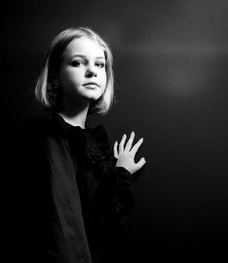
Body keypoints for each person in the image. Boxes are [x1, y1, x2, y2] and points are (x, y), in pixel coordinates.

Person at [23, 27, 146, 263]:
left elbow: (105, 219)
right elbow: (62, 224)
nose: (92, 71)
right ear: (56, 74)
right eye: (78, 63)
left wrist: (121, 171)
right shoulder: (49, 135)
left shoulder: (91, 141)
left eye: (100, 65)